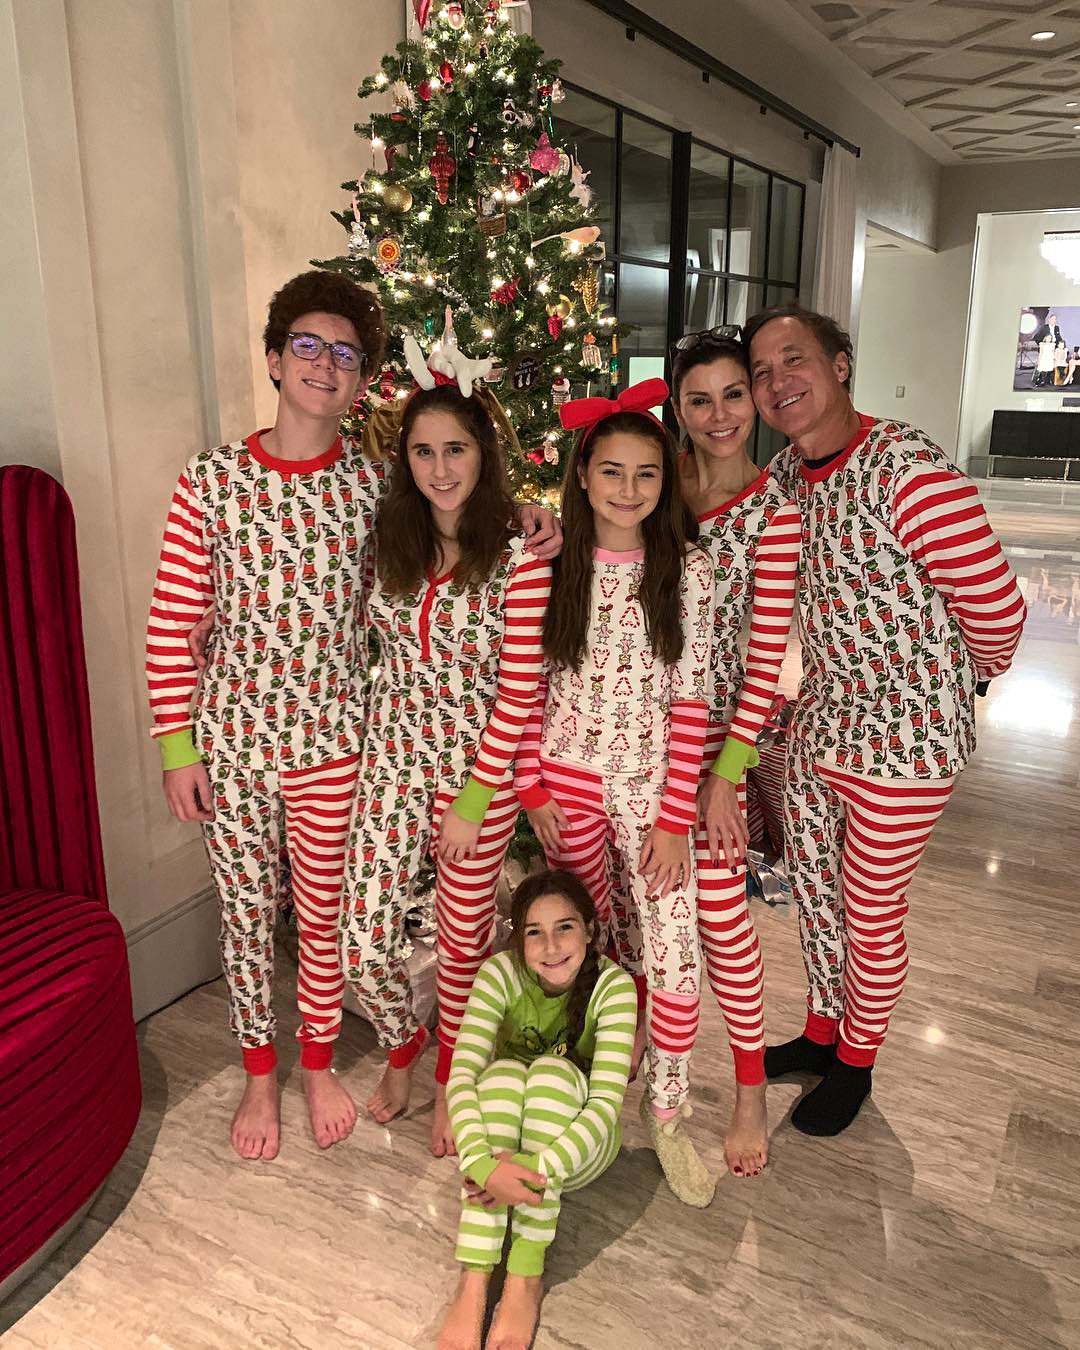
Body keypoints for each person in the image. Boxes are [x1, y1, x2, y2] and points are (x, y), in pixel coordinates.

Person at [149, 275, 558, 1162]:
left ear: (364, 379)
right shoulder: (211, 480)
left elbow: (457, 511)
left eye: (345, 355)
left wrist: (530, 513)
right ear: (274, 359)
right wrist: (178, 745)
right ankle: (262, 1075)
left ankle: (320, 1062)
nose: (324, 366)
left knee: (328, 921)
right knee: (246, 915)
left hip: (339, 746)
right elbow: (173, 619)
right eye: (307, 346)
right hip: (232, 744)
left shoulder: (377, 490)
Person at [744, 303, 1027, 1136]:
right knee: (816, 893)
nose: (776, 382)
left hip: (907, 743)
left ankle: (856, 1063)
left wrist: (958, 680)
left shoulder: (909, 470)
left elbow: (998, 612)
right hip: (821, 726)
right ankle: (822, 1031)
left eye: (794, 359)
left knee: (870, 911)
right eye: (761, 372)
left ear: (839, 365)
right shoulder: (788, 476)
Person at [341, 350, 552, 1159]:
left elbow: (519, 692)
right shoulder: (388, 541)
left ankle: (451, 1081)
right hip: (391, 764)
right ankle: (404, 1045)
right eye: (423, 452)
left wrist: (472, 801)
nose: (439, 469)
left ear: (482, 454)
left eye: (456, 449)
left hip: (478, 779)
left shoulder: (518, 558)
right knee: (362, 939)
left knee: (463, 946)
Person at [514, 379, 717, 1207]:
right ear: (583, 475)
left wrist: (674, 819)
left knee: (674, 957)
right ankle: (573, 1092)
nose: (628, 490)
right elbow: (522, 686)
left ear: (665, 482)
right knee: (575, 948)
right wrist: (530, 786)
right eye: (611, 471)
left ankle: (666, 1112)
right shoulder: (548, 564)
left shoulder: (688, 571)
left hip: (651, 789)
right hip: (564, 784)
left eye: (646, 474)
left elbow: (692, 700)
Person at [669, 329, 801, 1177]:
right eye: (699, 399)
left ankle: (749, 1091)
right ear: (676, 407)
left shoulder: (774, 515)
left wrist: (728, 775)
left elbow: (764, 660)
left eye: (733, 395)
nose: (719, 415)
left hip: (719, 748)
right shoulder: (655, 481)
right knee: (642, 913)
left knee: (722, 922)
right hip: (636, 731)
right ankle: (642, 1065)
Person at [437, 869, 636, 1350]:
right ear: (518, 941)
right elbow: (461, 1076)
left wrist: (531, 1168)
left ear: (589, 931)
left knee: (550, 1073)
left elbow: (604, 1106)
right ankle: (474, 1278)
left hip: (577, 1149)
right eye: (534, 933)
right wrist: (482, 1165)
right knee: (502, 1076)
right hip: (504, 1142)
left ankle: (525, 1273)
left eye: (564, 927)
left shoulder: (614, 987)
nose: (550, 946)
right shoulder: (499, 974)